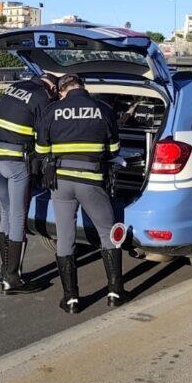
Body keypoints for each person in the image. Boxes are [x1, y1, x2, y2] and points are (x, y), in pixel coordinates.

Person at [35, 74, 124, 313]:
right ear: (82, 87)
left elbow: (41, 149)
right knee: (107, 233)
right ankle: (115, 292)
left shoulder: (53, 111)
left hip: (60, 182)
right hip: (91, 181)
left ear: (62, 90)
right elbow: (114, 149)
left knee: (65, 237)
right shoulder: (102, 109)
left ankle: (71, 299)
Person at [0, 73, 58, 295]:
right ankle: (13, 278)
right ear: (50, 87)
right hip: (15, 163)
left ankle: (5, 270)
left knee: (6, 212)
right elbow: (45, 134)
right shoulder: (41, 97)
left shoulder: (13, 88)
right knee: (17, 215)